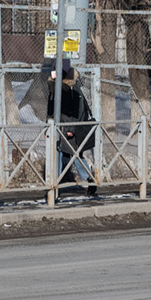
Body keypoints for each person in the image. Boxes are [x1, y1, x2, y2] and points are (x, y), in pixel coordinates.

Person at [46, 60, 97, 197]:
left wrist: (71, 130)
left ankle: (57, 186)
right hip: (57, 127)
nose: (53, 73)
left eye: (57, 70)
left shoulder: (71, 89)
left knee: (71, 155)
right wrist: (47, 127)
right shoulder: (54, 87)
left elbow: (76, 112)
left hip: (68, 128)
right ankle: (56, 186)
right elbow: (50, 110)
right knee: (62, 155)